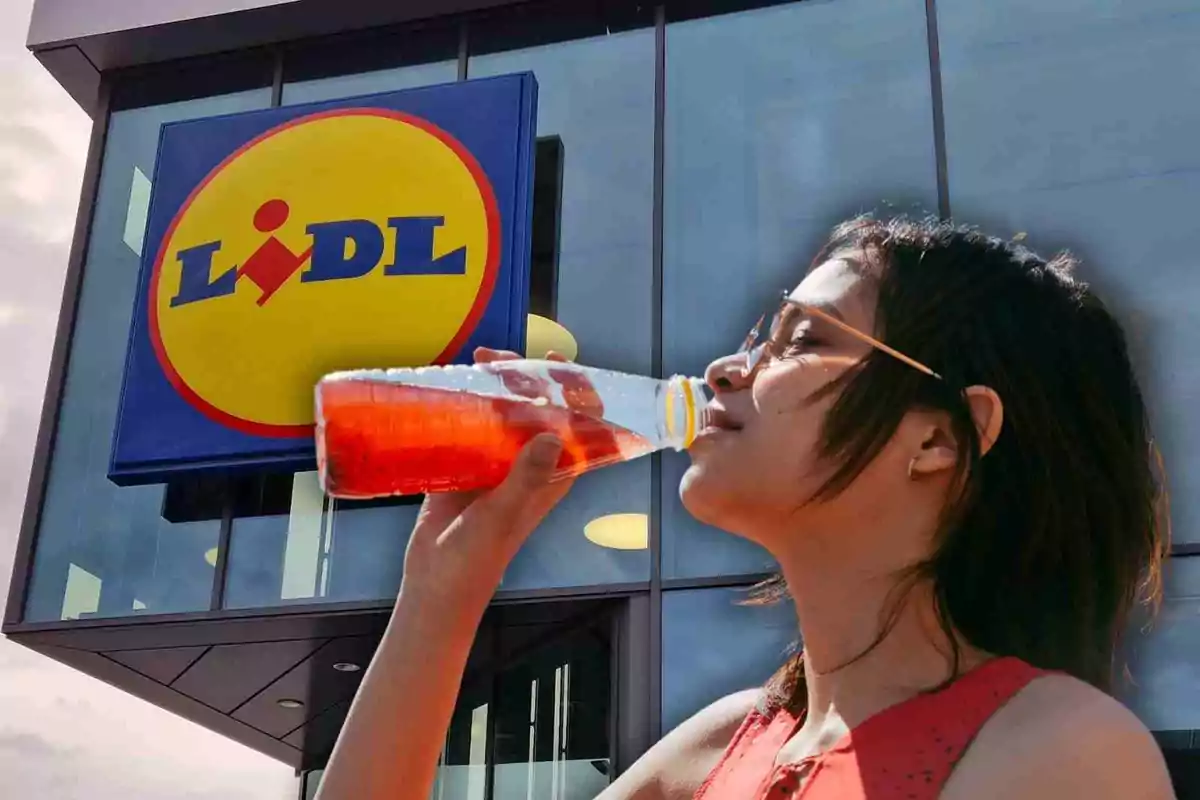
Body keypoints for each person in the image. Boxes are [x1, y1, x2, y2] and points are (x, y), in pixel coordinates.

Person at [315, 215, 1175, 799]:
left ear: (938, 439)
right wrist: (442, 591)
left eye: (802, 340)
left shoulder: (1062, 753)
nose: (729, 368)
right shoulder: (719, 747)